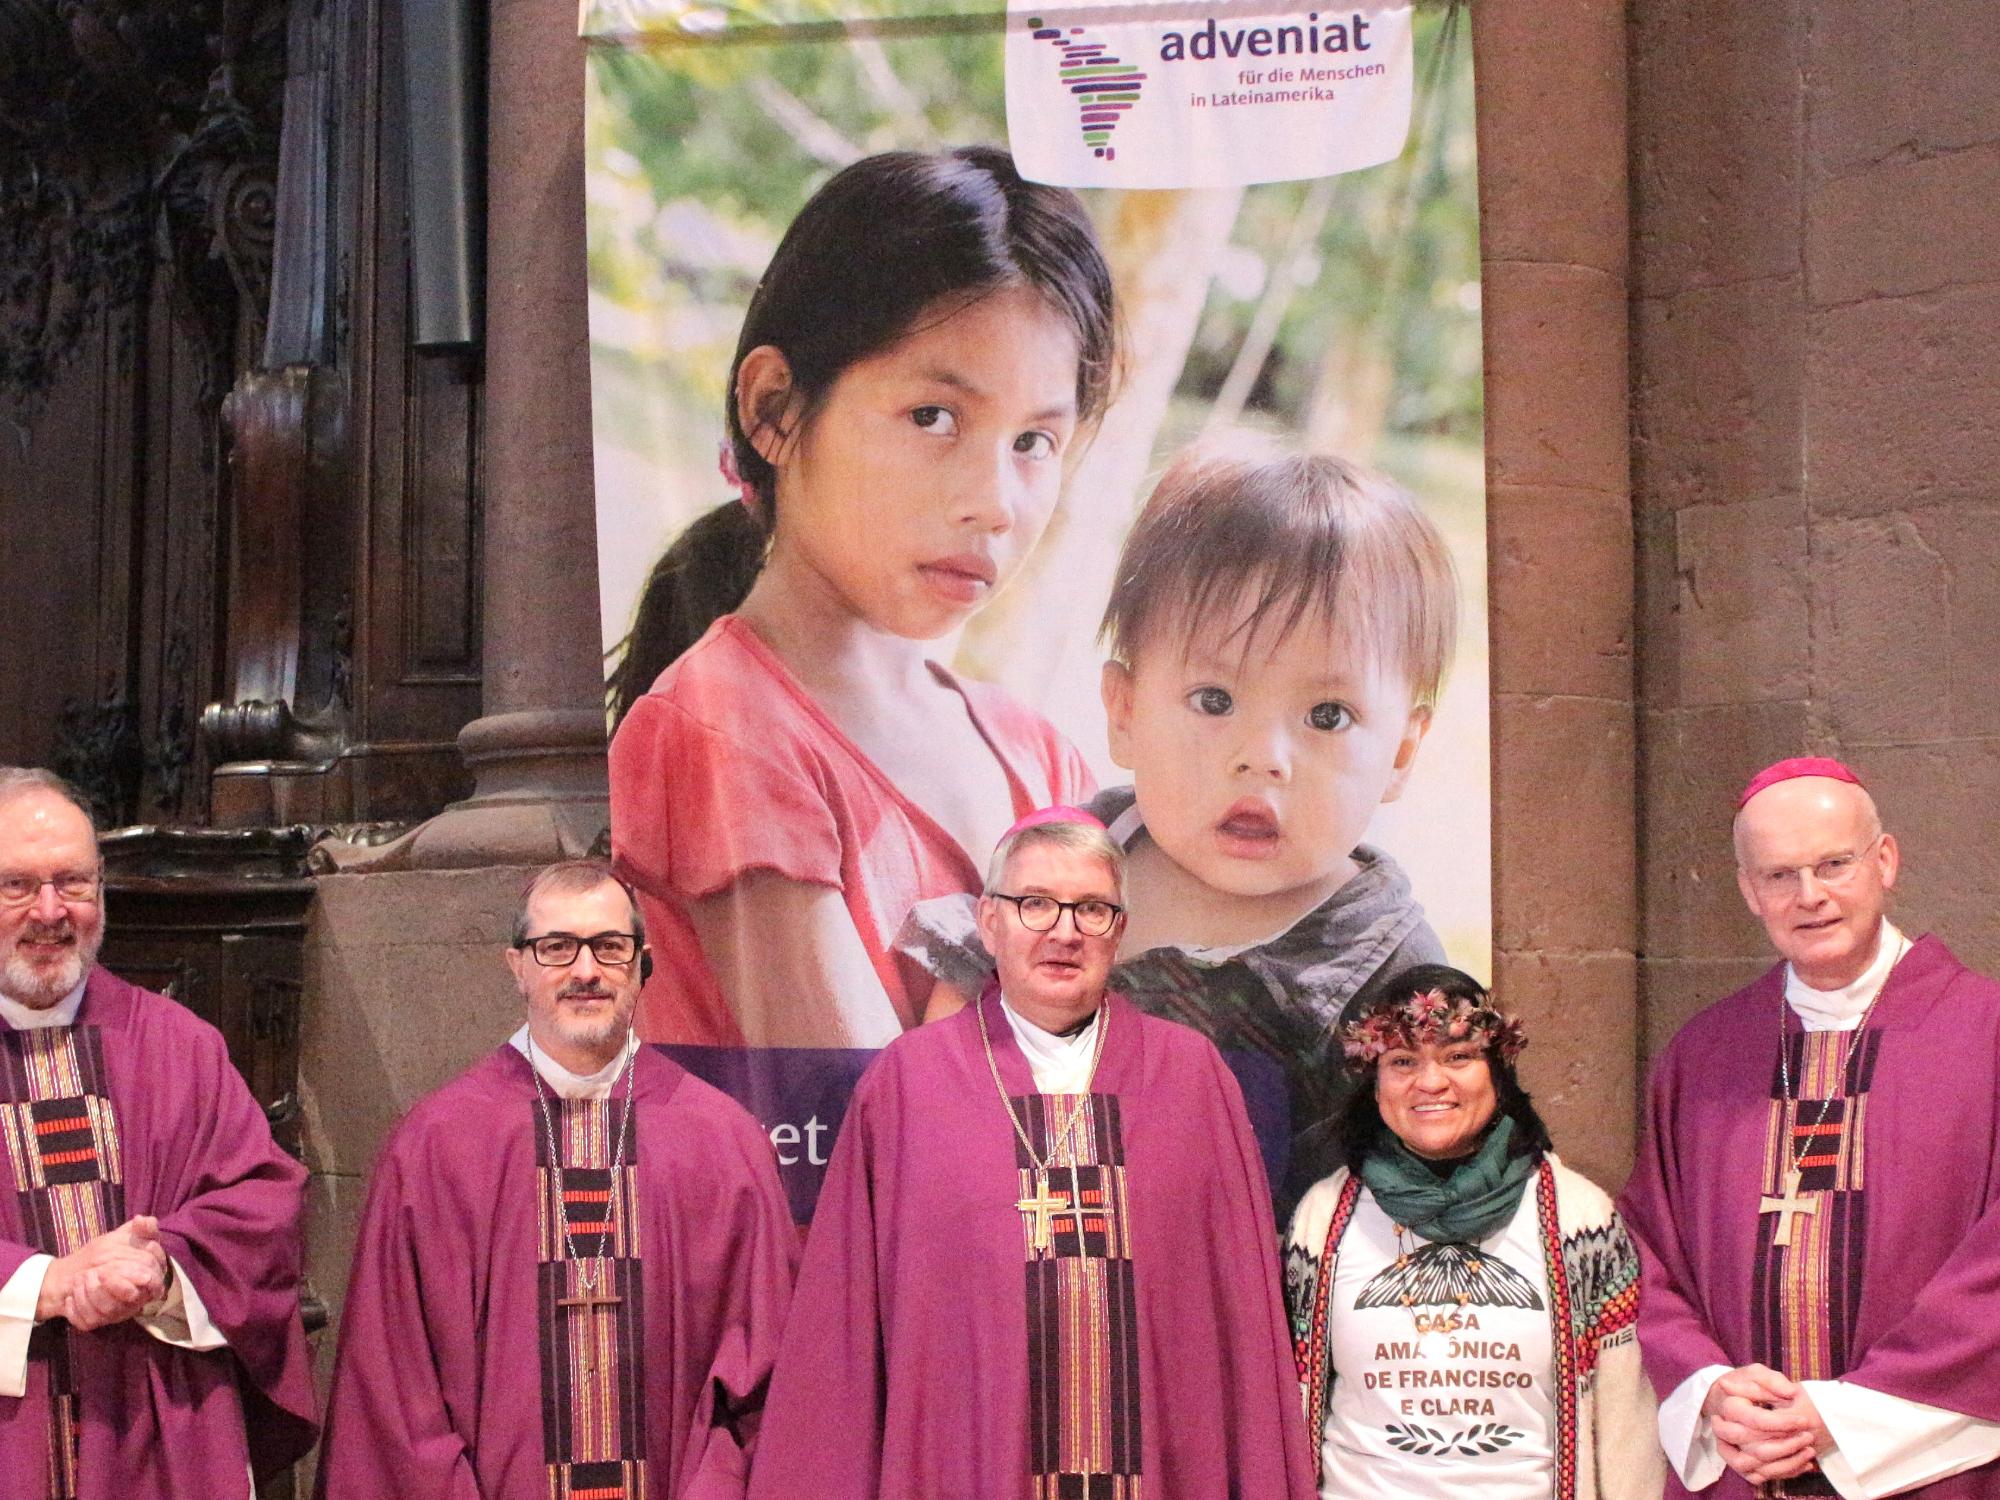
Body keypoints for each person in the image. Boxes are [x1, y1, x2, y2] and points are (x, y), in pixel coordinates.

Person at [607, 145, 1118, 1049]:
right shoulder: (728, 729)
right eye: (934, 417)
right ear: (773, 407)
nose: (994, 504)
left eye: (1035, 442)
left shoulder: (1042, 761)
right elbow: (852, 1137)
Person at [900, 443, 1454, 1218]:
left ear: (1399, 753)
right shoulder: (1066, 858)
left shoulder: (1389, 977)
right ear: (1124, 710)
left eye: (1327, 716)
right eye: (1214, 700)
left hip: (1228, 1315)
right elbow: (954, 1019)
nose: (1262, 758)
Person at [747, 809, 1317, 1498]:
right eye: (1036, 904)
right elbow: (844, 1333)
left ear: (1120, 931)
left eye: (1092, 909)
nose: (1065, 931)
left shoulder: (1191, 1079)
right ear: (989, 923)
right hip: (968, 1464)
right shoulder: (908, 1086)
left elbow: (1238, 1328)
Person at [316, 859, 797, 1499]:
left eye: (610, 947)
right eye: (557, 948)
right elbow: (394, 1390)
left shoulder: (721, 1142)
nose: (586, 971)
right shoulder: (437, 1147)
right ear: (516, 966)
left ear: (642, 965)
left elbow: (767, 1383)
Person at [1620, 757, 2000, 1498]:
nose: (1811, 896)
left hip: (1933, 1464)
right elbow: (1645, 1250)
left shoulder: (1986, 1034)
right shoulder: (1705, 1054)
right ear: (1748, 891)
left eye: (1834, 864)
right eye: (1779, 875)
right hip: (1745, 1462)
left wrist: (1845, 1416)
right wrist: (1711, 1389)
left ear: (1884, 861)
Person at [0, 767, 317, 1497]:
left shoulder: (179, 1043)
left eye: (73, 883)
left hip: (161, 1432)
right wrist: (45, 1283)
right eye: (18, 885)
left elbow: (262, 1211)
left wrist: (165, 1270)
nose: (50, 911)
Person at [1285, 965, 1662, 1500]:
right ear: (1375, 1084)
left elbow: (1628, 1416)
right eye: (1403, 1062)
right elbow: (1294, 1402)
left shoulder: (1580, 1217)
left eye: (1458, 1056)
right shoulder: (1323, 1218)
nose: (1431, 1082)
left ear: (1497, 1071)